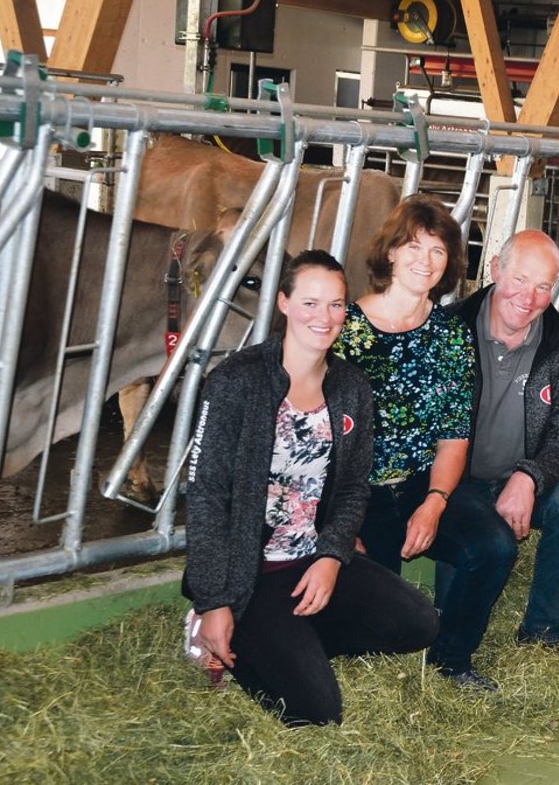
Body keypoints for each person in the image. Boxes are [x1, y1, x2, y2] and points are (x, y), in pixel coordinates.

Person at [182, 250, 438, 726]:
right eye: (311, 303)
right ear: (283, 303)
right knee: (316, 713)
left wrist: (330, 557)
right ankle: (219, 630)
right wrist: (213, 600)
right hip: (251, 573)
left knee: (418, 623)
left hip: (310, 559)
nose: (325, 318)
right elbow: (206, 497)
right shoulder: (235, 382)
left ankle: (294, 642)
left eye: (337, 305)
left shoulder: (351, 388)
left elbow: (351, 492)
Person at [333, 196, 516, 692]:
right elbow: (319, 437)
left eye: (438, 251)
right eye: (413, 246)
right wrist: (338, 523)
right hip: (355, 493)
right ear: (389, 253)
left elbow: (455, 435)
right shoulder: (344, 330)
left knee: (494, 544)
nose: (425, 260)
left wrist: (435, 504)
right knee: (373, 623)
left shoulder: (451, 336)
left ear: (450, 264)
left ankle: (451, 659)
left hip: (419, 484)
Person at [445, 229, 559, 648]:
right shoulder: (450, 329)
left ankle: (543, 633)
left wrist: (529, 477)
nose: (528, 298)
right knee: (448, 610)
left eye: (543, 286)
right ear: (494, 270)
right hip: (461, 481)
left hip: (531, 480)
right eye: (519, 280)